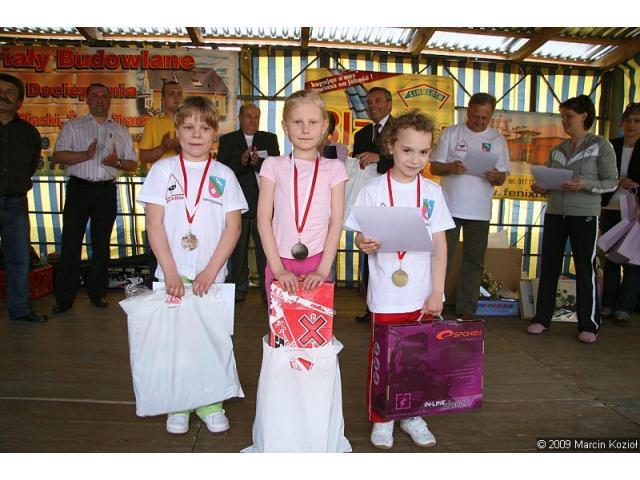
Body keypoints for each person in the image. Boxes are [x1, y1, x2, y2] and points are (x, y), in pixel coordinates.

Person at [344, 110, 454, 449]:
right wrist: (362, 242)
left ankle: (413, 414)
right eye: (407, 150)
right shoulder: (372, 190)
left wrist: (437, 292)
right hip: (386, 295)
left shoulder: (432, 192)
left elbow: (440, 245)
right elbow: (359, 236)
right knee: (386, 359)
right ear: (390, 145)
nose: (415, 159)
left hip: (422, 294)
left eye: (423, 152)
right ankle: (383, 417)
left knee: (419, 359)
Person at [137, 96, 247, 434]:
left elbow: (233, 227)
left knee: (212, 342)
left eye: (204, 128)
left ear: (215, 134)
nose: (196, 134)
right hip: (172, 275)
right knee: (174, 345)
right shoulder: (162, 170)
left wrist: (211, 270)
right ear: (177, 131)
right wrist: (170, 270)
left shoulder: (224, 174)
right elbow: (154, 223)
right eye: (188, 127)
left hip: (211, 277)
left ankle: (211, 403)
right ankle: (178, 404)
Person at [527, 95, 618, 343]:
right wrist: (541, 186)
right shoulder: (558, 149)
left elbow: (611, 182)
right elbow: (550, 179)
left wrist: (584, 184)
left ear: (584, 116)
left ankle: (589, 324)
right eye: (562, 117)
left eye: (569, 116)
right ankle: (542, 319)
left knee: (585, 268)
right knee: (549, 266)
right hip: (555, 212)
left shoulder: (600, 145)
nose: (564, 121)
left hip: (585, 214)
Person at [52, 83, 137, 313]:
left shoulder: (120, 130)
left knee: (101, 245)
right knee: (71, 243)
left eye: (104, 96)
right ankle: (64, 298)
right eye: (95, 96)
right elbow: (58, 156)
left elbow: (132, 163)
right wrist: (85, 155)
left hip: (106, 191)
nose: (100, 100)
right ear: (87, 100)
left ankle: (98, 294)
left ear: (110, 100)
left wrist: (116, 162)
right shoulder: (73, 126)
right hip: (79, 189)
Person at [257, 90, 347, 304]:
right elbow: (263, 219)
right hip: (279, 259)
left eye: (313, 122)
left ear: (324, 126)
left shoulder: (335, 168)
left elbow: (336, 221)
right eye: (297, 122)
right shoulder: (272, 165)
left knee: (315, 323)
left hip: (318, 261)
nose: (305, 129)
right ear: (285, 126)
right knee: (281, 323)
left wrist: (323, 270)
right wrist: (278, 269)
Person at [430, 92, 510, 319]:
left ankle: (467, 308)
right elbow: (434, 167)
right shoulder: (451, 133)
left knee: (474, 261)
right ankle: (435, 304)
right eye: (475, 116)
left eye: (485, 117)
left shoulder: (497, 139)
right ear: (468, 111)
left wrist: (495, 176)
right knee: (441, 257)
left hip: (480, 210)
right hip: (449, 207)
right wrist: (451, 168)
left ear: (491, 115)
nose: (479, 121)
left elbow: (503, 177)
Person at [217, 103, 280, 303]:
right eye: (248, 116)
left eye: (256, 117)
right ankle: (237, 292)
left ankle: (268, 293)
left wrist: (258, 163)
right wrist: (242, 161)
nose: (252, 120)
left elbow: (277, 168)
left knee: (266, 251)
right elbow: (221, 170)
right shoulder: (227, 140)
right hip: (237, 204)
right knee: (237, 253)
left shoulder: (270, 138)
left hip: (264, 204)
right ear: (240, 117)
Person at [0, 73, 47, 323]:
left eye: (10, 92)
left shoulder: (28, 132)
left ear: (19, 102)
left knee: (19, 258)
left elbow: (30, 166)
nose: (3, 95)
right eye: (0, 91)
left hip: (15, 202)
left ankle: (20, 309)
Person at [352, 87, 395, 322]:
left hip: (395, 199)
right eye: (369, 102)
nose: (373, 106)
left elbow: (406, 160)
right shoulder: (362, 134)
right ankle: (372, 308)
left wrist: (380, 158)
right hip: (370, 199)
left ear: (389, 104)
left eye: (378, 101)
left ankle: (392, 307)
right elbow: (357, 165)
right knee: (370, 252)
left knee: (392, 252)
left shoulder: (400, 129)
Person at [600, 103, 640, 326]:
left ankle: (625, 308)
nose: (632, 125)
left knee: (633, 261)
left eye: (637, 121)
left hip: (635, 212)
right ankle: (608, 304)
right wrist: (617, 181)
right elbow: (600, 173)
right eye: (628, 120)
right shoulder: (611, 146)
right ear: (621, 123)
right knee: (611, 258)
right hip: (611, 209)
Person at [139, 80, 183, 165]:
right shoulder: (152, 122)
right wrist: (163, 147)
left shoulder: (192, 121)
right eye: (171, 93)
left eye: (179, 94)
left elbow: (199, 155)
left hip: (185, 172)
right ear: (163, 100)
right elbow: (143, 158)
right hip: (160, 173)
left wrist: (179, 147)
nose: (177, 97)